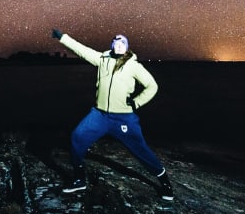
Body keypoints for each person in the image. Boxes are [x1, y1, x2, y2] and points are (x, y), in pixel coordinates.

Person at [51, 28, 174, 201]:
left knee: (141, 149)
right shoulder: (102, 59)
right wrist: (63, 37)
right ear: (112, 45)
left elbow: (152, 86)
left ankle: (165, 184)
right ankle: (79, 179)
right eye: (116, 43)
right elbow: (82, 49)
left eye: (122, 43)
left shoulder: (133, 66)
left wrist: (137, 102)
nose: (119, 46)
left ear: (127, 47)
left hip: (123, 118)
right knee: (77, 137)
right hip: (99, 115)